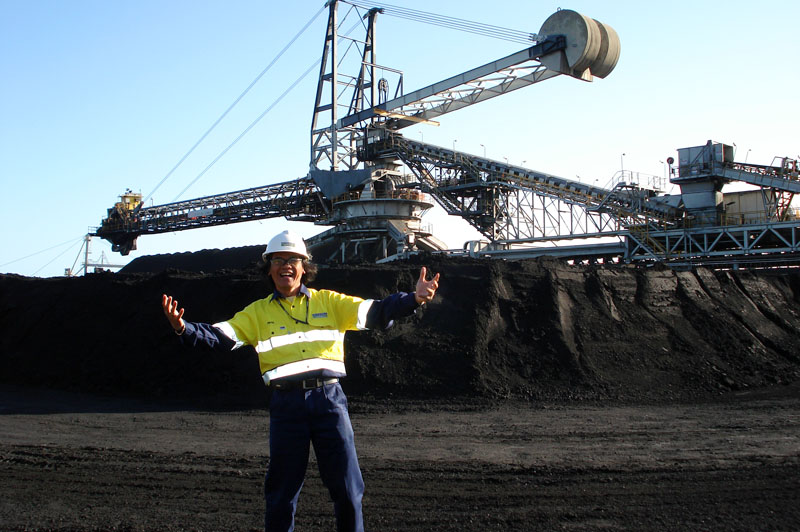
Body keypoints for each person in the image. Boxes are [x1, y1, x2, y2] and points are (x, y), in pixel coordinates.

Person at [161, 230, 440, 532]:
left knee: (348, 488)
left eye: (293, 259)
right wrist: (184, 328)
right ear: (268, 269)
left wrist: (413, 299)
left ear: (304, 267)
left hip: (330, 402)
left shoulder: (331, 303)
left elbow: (376, 311)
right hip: (287, 407)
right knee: (281, 491)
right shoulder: (256, 314)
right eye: (278, 260)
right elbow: (219, 337)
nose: (286, 265)